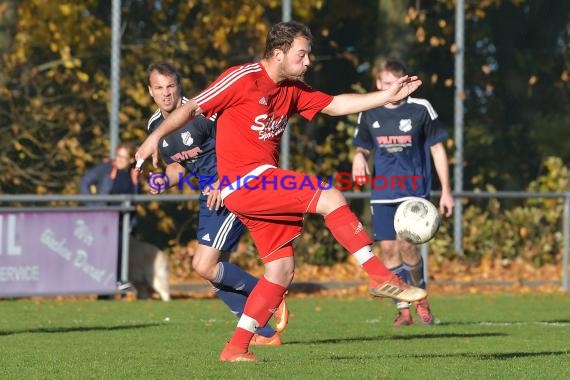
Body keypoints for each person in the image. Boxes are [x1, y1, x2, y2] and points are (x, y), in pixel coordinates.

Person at [136, 21, 427, 362]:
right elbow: (191, 108)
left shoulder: (291, 88)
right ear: (278, 54)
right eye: (302, 54)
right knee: (331, 197)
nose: (308, 62)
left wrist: (386, 96)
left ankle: (236, 348)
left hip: (256, 187)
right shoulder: (242, 78)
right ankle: (380, 275)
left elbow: (334, 105)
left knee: (281, 270)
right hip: (245, 182)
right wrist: (153, 138)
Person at [145, 61, 288, 345]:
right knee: (214, 273)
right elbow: (180, 167)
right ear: (150, 92)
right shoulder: (155, 126)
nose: (166, 93)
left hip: (233, 188)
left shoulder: (202, 112)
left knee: (204, 265)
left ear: (180, 86)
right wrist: (163, 180)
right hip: (208, 196)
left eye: (171, 86)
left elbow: (237, 144)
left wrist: (225, 182)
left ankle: (269, 293)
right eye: (159, 88)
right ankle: (265, 332)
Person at [352, 60, 455, 326]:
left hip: (414, 190)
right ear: (378, 84)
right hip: (384, 191)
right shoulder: (370, 111)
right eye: (386, 84)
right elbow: (362, 146)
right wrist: (358, 157)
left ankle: (420, 297)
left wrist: (446, 191)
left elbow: (437, 149)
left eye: (396, 83)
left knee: (408, 246)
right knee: (387, 250)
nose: (391, 88)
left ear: (405, 83)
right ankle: (403, 309)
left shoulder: (420, 108)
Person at [80, 142, 140, 298]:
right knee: (107, 258)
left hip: (123, 223)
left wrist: (132, 222)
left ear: (131, 160)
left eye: (123, 157)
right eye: (118, 156)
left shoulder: (133, 174)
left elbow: (134, 199)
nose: (119, 160)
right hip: (105, 222)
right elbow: (85, 181)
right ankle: (105, 293)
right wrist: (93, 205)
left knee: (120, 256)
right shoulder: (105, 169)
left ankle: (119, 289)